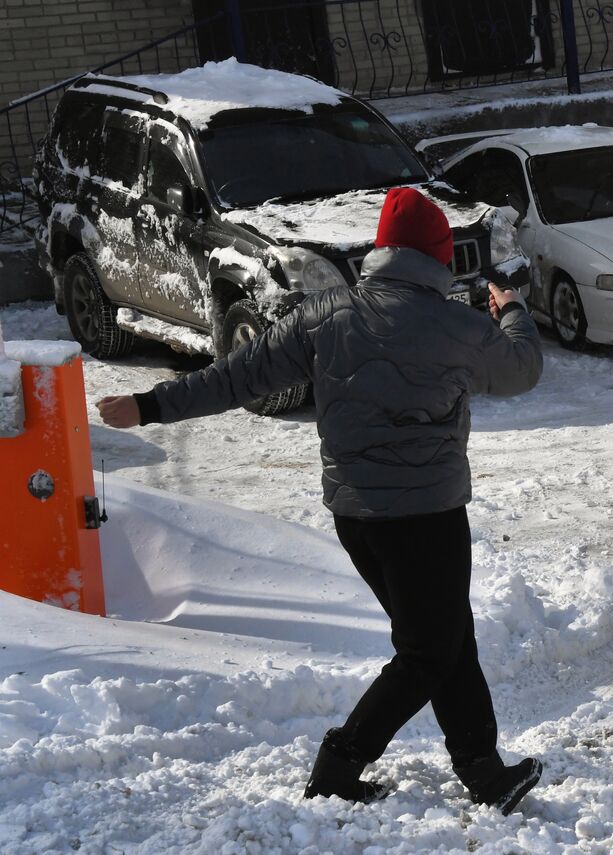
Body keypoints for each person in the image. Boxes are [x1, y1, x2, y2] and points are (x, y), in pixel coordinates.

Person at [97, 187, 545, 814]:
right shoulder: (459, 326)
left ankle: (483, 768)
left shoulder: (326, 315)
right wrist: (512, 307)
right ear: (440, 258)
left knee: (444, 635)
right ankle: (340, 763)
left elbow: (237, 377)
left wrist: (150, 405)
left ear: (383, 252)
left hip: (357, 517)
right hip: (427, 516)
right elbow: (523, 369)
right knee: (430, 648)